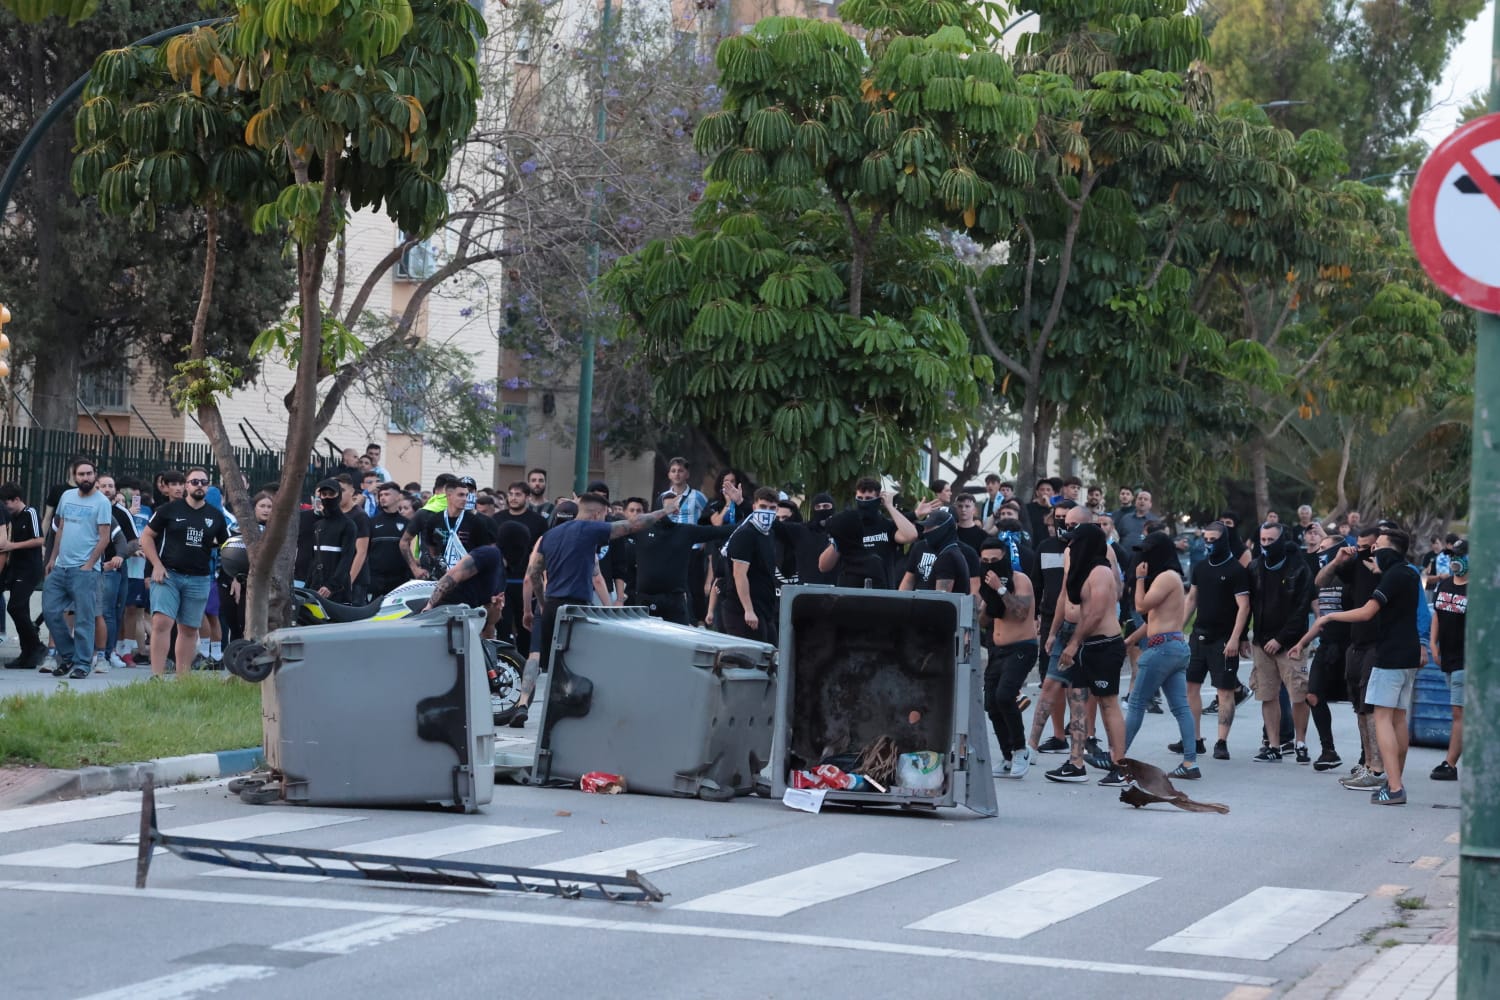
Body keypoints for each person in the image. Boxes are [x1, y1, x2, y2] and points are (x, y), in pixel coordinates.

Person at [507, 492, 681, 727]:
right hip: (576, 607)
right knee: (579, 661)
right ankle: (573, 710)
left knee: (536, 655)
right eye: (605, 515)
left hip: (550, 604)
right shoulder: (590, 530)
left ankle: (522, 703)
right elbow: (633, 525)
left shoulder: (549, 535)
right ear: (598, 513)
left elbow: (533, 575)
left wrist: (540, 604)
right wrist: (667, 510)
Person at [1291, 528, 1420, 805]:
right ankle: (1395, 780)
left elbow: (1368, 611)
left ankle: (1393, 786)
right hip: (1407, 656)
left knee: (1382, 718)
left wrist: (1330, 617)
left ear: (1391, 550)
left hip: (1389, 654)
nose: (1372, 551)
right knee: (1398, 719)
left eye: (1378, 546)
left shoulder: (1393, 576)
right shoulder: (1408, 573)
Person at [1052, 522, 1128, 786]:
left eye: (1075, 541)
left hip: (1104, 646)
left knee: (1108, 703)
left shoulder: (1100, 572)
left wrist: (1072, 645)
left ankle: (1121, 765)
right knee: (1077, 700)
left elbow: (1095, 614)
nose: (1070, 546)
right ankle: (1076, 763)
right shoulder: (1083, 569)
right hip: (1087, 646)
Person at [139, 467, 231, 678]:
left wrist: (232, 574)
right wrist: (157, 565)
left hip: (199, 577)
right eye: (194, 482)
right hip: (168, 575)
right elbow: (146, 538)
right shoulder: (168, 510)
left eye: (204, 482)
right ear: (187, 485)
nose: (199, 486)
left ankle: (183, 678)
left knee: (189, 628)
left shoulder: (215, 516)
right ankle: (157, 676)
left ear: (208, 487)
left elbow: (226, 546)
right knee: (161, 622)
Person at [1123, 531, 1198, 778]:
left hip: (1162, 648)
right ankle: (1190, 763)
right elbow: (1152, 619)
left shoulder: (1166, 577)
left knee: (1135, 704)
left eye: (1148, 552)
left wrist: (1140, 578)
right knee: (1180, 707)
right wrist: (1131, 639)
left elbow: (1142, 606)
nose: (1144, 558)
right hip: (1171, 645)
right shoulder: (1170, 578)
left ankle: (1117, 761)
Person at [1182, 521, 1251, 760]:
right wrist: (1177, 630)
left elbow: (1244, 607)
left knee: (1224, 691)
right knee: (1191, 687)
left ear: (1224, 540)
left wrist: (1235, 639)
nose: (1208, 543)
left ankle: (1221, 741)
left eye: (1213, 539)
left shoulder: (1236, 571)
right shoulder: (1200, 567)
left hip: (1223, 639)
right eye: (1206, 539)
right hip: (1198, 636)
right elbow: (1191, 599)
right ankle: (1194, 739)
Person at [1247, 521, 1314, 763]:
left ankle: (1300, 742)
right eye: (1262, 540)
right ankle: (1273, 745)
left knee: (1299, 694)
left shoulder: (1299, 568)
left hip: (1292, 644)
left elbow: (1301, 609)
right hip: (1261, 643)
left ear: (1281, 540)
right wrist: (1246, 634)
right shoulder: (1255, 567)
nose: (1265, 545)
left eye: (1270, 541)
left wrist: (1281, 639)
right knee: (1267, 694)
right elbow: (1247, 606)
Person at [41, 459, 113, 678]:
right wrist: (53, 557)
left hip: (84, 570)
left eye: (89, 474)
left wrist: (89, 564)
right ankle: (70, 655)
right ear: (74, 476)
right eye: (81, 474)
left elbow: (104, 537)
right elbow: (60, 528)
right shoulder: (66, 497)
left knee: (84, 618)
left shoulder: (101, 502)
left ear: (94, 475)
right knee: (50, 611)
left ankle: (82, 664)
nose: (86, 478)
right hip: (61, 566)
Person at [979, 538, 1039, 778]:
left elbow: (1021, 613)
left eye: (995, 560)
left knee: (1005, 696)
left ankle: (1021, 750)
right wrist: (986, 603)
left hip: (1022, 647)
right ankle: (1007, 755)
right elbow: (984, 621)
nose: (990, 565)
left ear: (1004, 557)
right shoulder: (988, 585)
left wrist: (1000, 589)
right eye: (985, 561)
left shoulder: (1019, 580)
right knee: (991, 704)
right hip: (998, 649)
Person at [818, 478, 918, 588]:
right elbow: (823, 566)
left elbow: (911, 535)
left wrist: (889, 506)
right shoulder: (848, 526)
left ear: (879, 499)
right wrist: (838, 541)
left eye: (868, 498)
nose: (864, 502)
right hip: (850, 593)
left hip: (881, 592)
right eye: (860, 498)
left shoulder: (887, 526)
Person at [720, 487, 781, 641]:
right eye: (763, 507)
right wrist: (748, 610)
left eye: (772, 508)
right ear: (754, 507)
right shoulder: (746, 534)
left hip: (764, 610)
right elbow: (739, 574)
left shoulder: (769, 533)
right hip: (743, 611)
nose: (767, 512)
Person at [1429, 550, 1467, 781]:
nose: (1456, 560)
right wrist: (1433, 643)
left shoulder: (1481, 589)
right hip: (1447, 659)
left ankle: (1450, 764)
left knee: (1459, 713)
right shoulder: (1443, 584)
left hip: (1467, 659)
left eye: (1462, 555)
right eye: (1453, 554)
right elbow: (1437, 615)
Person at [421, 540, 506, 639]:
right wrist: (429, 606)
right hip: (445, 612)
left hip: (465, 623)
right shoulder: (490, 553)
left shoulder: (501, 578)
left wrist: (495, 611)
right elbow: (453, 575)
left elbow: (489, 624)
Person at [0, 485, 45, 669]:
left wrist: (13, 546)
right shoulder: (11, 519)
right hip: (15, 569)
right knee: (21, 609)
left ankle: (36, 645)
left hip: (29, 568)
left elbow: (39, 539)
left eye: (7, 503)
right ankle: (26, 652)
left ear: (17, 499)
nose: (6, 507)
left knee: (15, 607)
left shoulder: (30, 513)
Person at [304, 479, 357, 603]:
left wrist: (332, 585)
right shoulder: (318, 525)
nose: (327, 497)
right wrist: (308, 586)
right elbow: (314, 559)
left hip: (337, 591)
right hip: (316, 589)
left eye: (331, 494)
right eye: (324, 494)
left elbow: (347, 559)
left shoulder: (348, 525)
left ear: (338, 495)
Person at [366, 483, 414, 598]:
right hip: (375, 581)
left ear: (398, 497)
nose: (382, 497)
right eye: (380, 495)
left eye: (387, 494)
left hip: (400, 581)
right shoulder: (371, 523)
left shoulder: (407, 524)